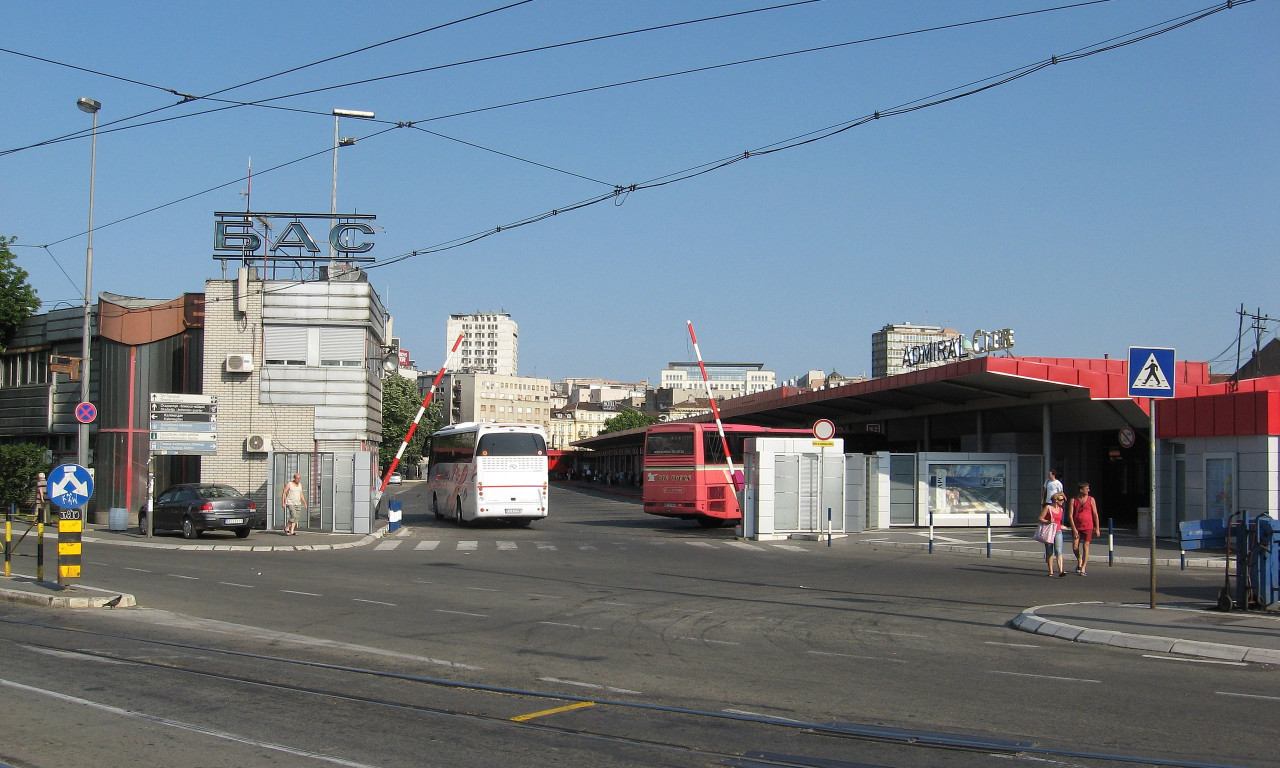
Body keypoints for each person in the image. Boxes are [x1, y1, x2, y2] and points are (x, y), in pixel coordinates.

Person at [1069, 481, 1101, 575]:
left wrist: (1097, 528)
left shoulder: (1091, 499)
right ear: (1081, 490)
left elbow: (1095, 514)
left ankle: (1083, 567)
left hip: (1088, 526)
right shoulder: (1073, 500)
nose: (1088, 490)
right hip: (1077, 526)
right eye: (1086, 489)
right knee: (1075, 546)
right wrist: (1074, 528)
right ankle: (1079, 559)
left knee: (1085, 546)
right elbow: (1070, 515)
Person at [1038, 492, 1068, 577]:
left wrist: (1062, 526)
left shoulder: (1061, 510)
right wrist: (1048, 521)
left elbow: (1059, 522)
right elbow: (1040, 518)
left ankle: (1061, 570)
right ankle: (1050, 571)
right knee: (1049, 551)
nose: (1063, 501)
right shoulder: (1048, 507)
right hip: (1049, 532)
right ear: (1055, 500)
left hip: (1058, 531)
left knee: (1059, 551)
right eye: (1061, 500)